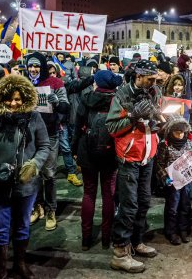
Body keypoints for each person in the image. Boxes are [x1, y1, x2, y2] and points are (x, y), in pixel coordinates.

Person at [0, 74, 50, 278]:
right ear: (1, 98)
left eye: (17, 99)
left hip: (26, 184)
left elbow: (44, 146)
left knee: (23, 225)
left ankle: (20, 263)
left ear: (25, 98)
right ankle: (0, 268)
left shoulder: (35, 117)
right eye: (9, 99)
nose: (13, 103)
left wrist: (35, 164)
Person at [106, 59, 162, 273]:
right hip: (130, 159)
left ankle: (136, 242)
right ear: (139, 76)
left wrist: (161, 121)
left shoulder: (154, 92)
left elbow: (159, 116)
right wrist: (132, 116)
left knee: (143, 202)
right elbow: (111, 127)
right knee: (128, 207)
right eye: (151, 78)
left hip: (148, 156)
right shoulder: (121, 96)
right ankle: (120, 252)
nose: (154, 82)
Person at [72, 69, 123, 251]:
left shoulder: (86, 99)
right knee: (109, 194)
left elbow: (77, 127)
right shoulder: (118, 100)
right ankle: (106, 238)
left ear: (98, 84)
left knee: (89, 193)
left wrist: (74, 150)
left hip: (88, 151)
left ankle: (86, 239)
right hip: (111, 153)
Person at [26, 52, 70, 231]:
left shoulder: (56, 83)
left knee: (49, 174)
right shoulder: (24, 83)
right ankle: (37, 207)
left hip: (50, 134)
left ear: (43, 66)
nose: (33, 69)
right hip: (29, 136)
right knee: (32, 173)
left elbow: (67, 107)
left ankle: (51, 209)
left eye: (36, 66)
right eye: (30, 66)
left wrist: (58, 102)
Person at [156, 117, 192, 245]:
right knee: (172, 207)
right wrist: (165, 178)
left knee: (185, 205)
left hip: (187, 181)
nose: (179, 135)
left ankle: (183, 229)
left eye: (182, 132)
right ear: (171, 132)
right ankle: (171, 231)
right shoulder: (164, 145)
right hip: (172, 184)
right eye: (176, 132)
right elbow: (159, 164)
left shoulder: (189, 144)